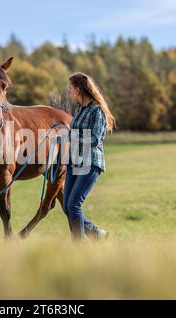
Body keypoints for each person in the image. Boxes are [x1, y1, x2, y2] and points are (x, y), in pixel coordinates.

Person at [63, 72, 116, 241]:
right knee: (66, 206)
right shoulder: (81, 109)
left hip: (91, 162)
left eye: (71, 89)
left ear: (78, 89)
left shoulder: (97, 111)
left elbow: (94, 139)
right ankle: (95, 234)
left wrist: (69, 136)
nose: (70, 92)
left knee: (73, 205)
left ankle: (79, 247)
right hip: (74, 162)